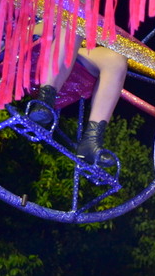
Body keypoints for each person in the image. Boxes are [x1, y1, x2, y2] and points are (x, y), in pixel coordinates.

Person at [28, 20, 128, 167]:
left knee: (115, 60)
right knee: (73, 18)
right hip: (28, 39)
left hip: (63, 40)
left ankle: (92, 141)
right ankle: (44, 99)